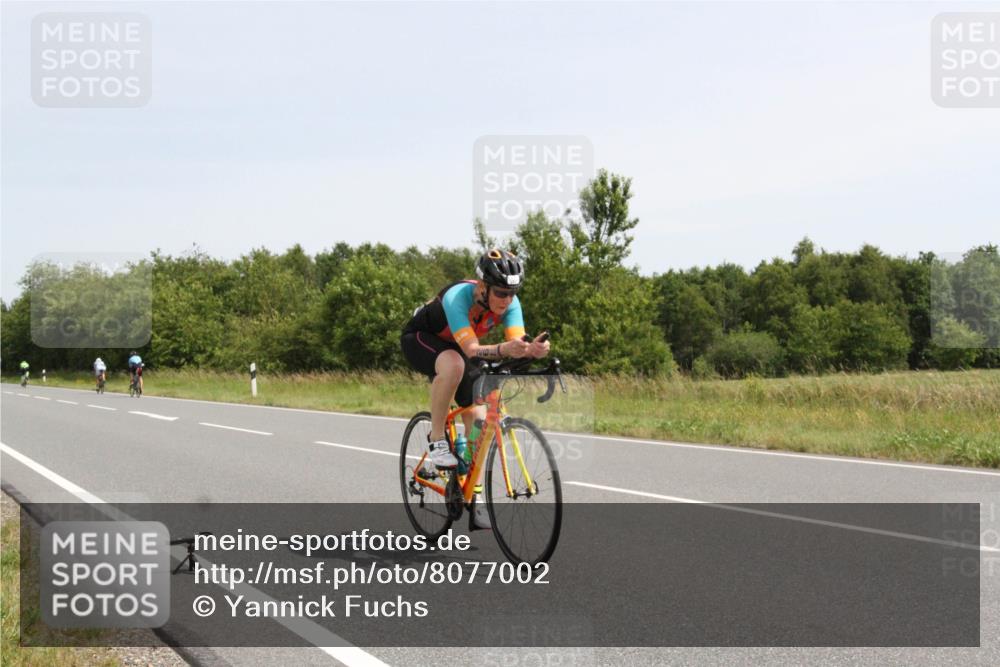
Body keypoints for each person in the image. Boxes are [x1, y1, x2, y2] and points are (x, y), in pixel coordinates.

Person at [401, 249, 550, 469]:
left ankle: (469, 490)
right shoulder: (457, 298)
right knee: (454, 364)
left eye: (513, 292)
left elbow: (516, 341)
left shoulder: (511, 303)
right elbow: (473, 350)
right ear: (482, 287)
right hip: (421, 338)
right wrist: (505, 349)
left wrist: (532, 349)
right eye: (500, 293)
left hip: (460, 345)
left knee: (478, 414)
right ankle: (437, 438)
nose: (507, 299)